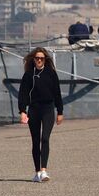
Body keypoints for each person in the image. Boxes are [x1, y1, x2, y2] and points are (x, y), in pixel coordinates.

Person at [17, 47, 64, 183]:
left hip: (48, 109)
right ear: (33, 59)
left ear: (45, 60)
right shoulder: (28, 75)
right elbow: (23, 94)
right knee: (35, 141)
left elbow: (57, 93)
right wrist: (22, 111)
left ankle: (44, 170)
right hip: (34, 109)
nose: (39, 60)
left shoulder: (51, 73)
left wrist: (60, 112)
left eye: (41, 58)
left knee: (45, 138)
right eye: (37, 58)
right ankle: (37, 172)